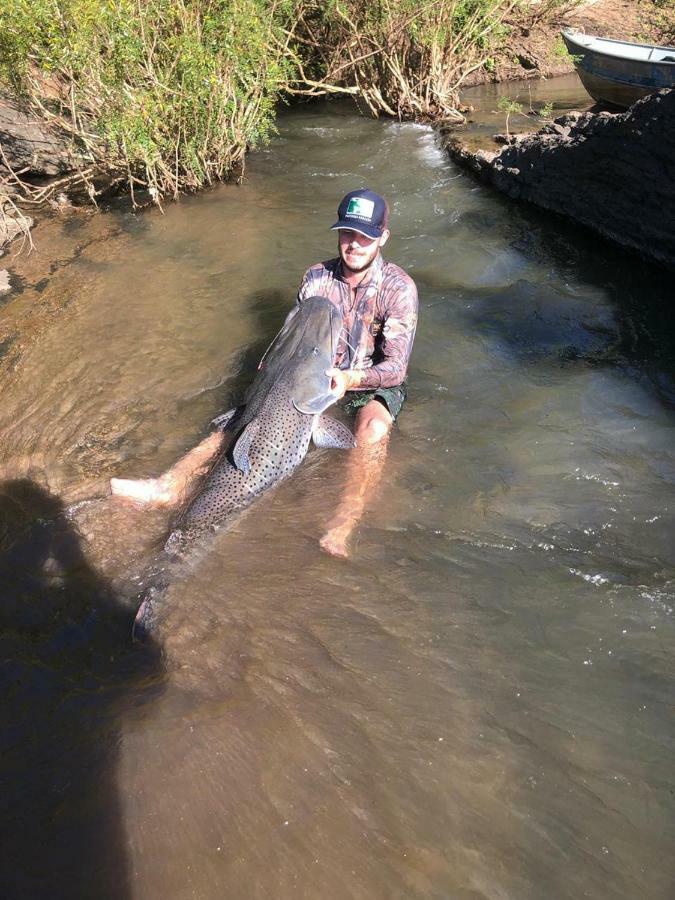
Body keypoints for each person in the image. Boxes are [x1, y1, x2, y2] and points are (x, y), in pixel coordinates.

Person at [111, 188, 418, 557]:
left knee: (373, 429)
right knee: (240, 422)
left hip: (367, 379)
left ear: (383, 237)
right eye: (347, 233)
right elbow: (289, 333)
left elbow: (396, 368)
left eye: (365, 236)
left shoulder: (399, 288)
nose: (354, 244)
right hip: (303, 376)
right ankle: (169, 486)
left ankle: (343, 524)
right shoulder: (316, 277)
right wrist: (269, 365)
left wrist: (351, 379)